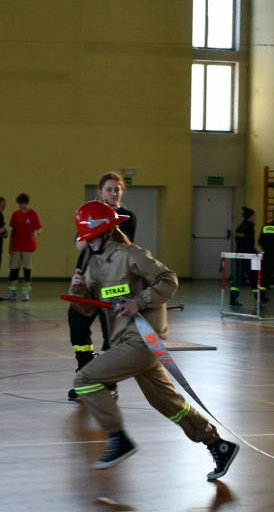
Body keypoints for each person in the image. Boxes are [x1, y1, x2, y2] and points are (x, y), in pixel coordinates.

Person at [68, 200, 239, 481]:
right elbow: (88, 309)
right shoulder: (96, 265)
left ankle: (118, 439)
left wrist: (139, 301)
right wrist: (77, 288)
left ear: (107, 232)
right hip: (126, 343)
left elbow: (168, 279)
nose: (88, 243)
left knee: (84, 380)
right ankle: (218, 444)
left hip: (143, 341)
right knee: (168, 403)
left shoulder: (131, 255)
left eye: (91, 237)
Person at [67, 172, 135, 401]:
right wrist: (90, 226)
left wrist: (108, 221)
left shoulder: (127, 217)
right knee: (77, 323)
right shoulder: (90, 214)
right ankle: (85, 373)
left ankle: (107, 381)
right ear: (100, 192)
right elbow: (80, 246)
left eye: (117, 189)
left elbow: (121, 244)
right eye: (109, 189)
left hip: (115, 283)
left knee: (111, 333)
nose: (113, 193)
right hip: (89, 279)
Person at [3, 193, 43, 301]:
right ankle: (12, 291)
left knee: (27, 269)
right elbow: (13, 231)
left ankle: (25, 292)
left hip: (28, 246)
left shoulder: (33, 214)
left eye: (22, 204)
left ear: (27, 203)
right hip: (16, 246)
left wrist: (36, 233)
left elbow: (40, 228)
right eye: (19, 204)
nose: (21, 206)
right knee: (14, 269)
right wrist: (10, 245)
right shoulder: (15, 214)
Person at [229, 206, 257, 307]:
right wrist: (253, 253)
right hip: (247, 256)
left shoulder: (240, 227)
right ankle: (259, 300)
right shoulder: (249, 228)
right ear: (250, 216)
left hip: (239, 255)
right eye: (254, 215)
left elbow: (240, 242)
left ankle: (232, 300)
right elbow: (248, 243)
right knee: (253, 278)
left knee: (238, 278)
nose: (255, 217)